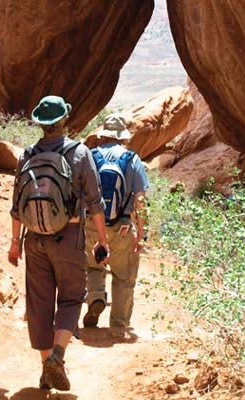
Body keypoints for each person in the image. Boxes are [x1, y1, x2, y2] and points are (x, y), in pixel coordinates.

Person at [8, 95, 108, 391]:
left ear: (40, 123)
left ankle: (45, 368)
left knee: (39, 304)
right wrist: (102, 239)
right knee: (70, 297)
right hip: (69, 238)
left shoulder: (27, 155)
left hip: (34, 240)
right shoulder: (79, 153)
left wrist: (14, 242)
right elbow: (96, 202)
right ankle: (58, 356)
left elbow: (16, 205)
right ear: (65, 120)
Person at [83, 113, 150, 328]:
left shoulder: (91, 156)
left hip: (92, 224)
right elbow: (140, 200)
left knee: (93, 267)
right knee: (124, 277)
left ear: (103, 135)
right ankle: (119, 324)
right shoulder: (132, 160)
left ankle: (95, 298)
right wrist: (140, 233)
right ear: (122, 137)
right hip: (121, 228)